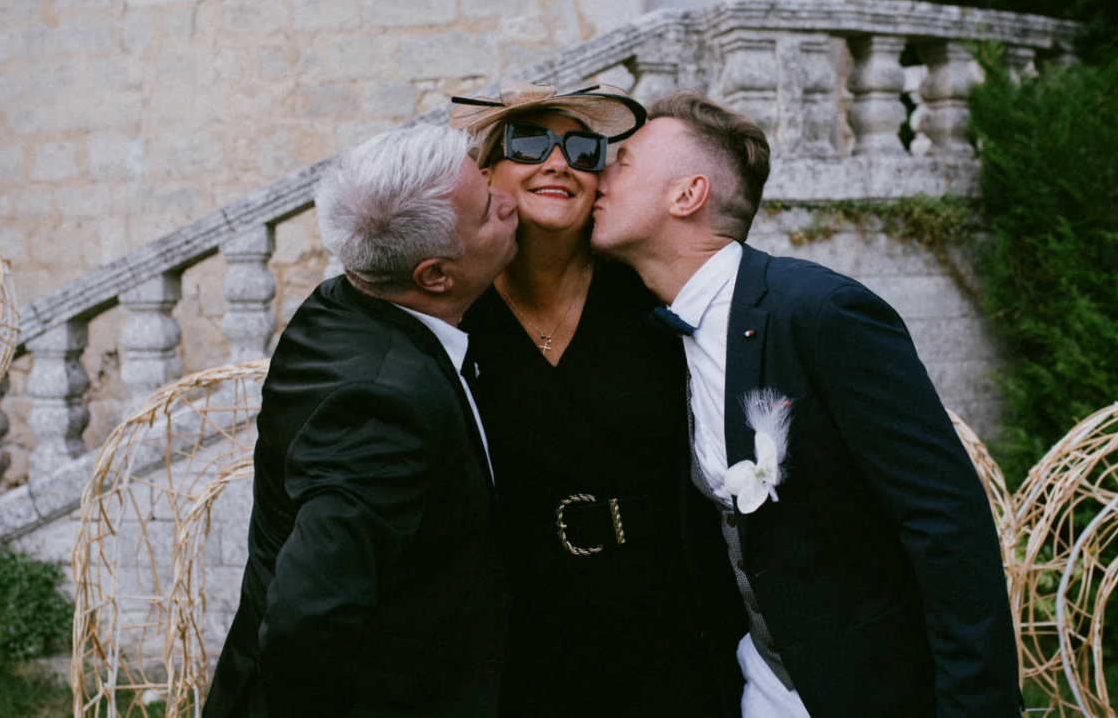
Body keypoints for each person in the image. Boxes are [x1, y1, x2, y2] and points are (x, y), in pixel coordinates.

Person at [590, 89, 1022, 717]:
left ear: (688, 195)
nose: (599, 175)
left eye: (624, 161)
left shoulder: (820, 314)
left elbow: (947, 526)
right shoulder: (657, 333)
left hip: (876, 693)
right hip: (760, 688)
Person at [203, 124, 519, 718]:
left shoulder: (340, 302)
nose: (506, 199)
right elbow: (307, 617)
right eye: (485, 212)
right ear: (434, 276)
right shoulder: (381, 408)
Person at [449, 82, 724, 716]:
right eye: (529, 142)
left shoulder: (648, 295)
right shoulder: (454, 310)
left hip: (658, 620)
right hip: (511, 632)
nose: (557, 161)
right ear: (486, 173)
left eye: (581, 149)